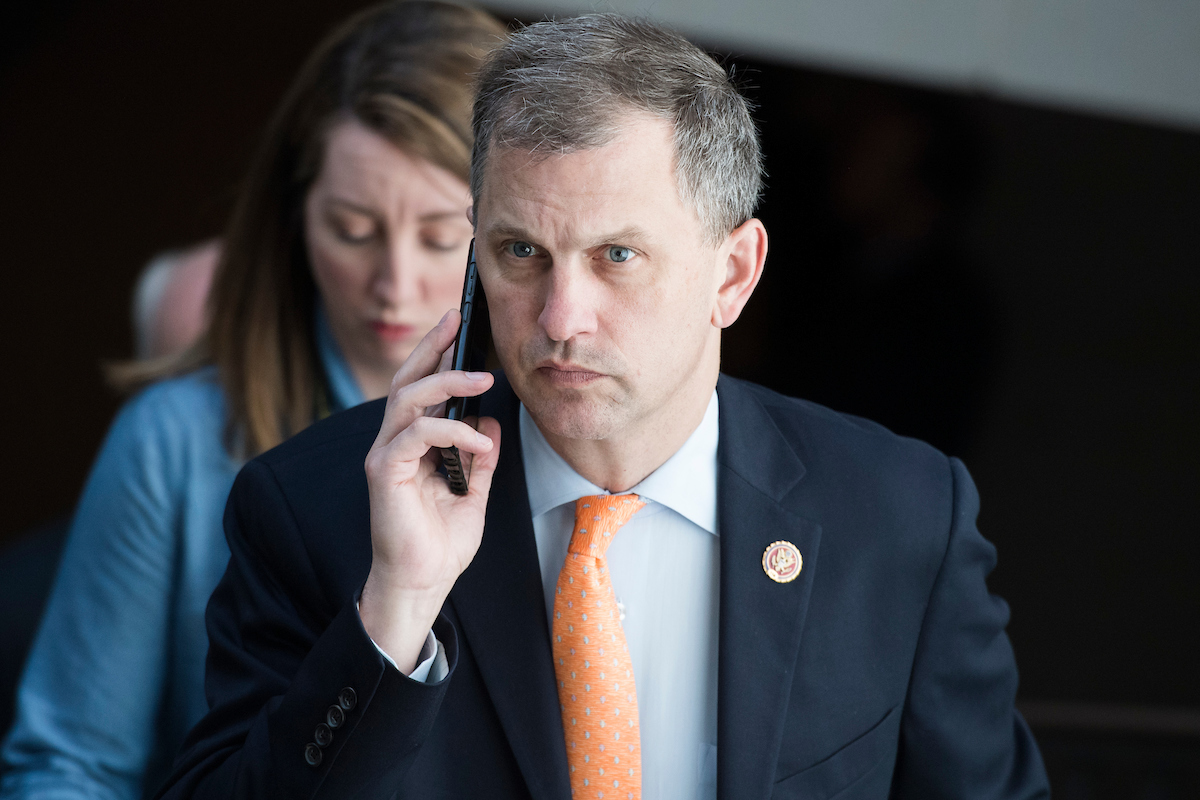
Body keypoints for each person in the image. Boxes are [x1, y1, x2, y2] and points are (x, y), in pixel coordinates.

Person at [157, 14, 1050, 800]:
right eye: (520, 252)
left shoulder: (898, 518)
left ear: (732, 273)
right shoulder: (316, 511)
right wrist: (397, 612)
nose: (559, 319)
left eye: (617, 255)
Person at [0, 4, 507, 798]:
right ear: (296, 213)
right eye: (351, 228)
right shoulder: (176, 442)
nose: (395, 284)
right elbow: (68, 769)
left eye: (443, 239)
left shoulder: (557, 438)